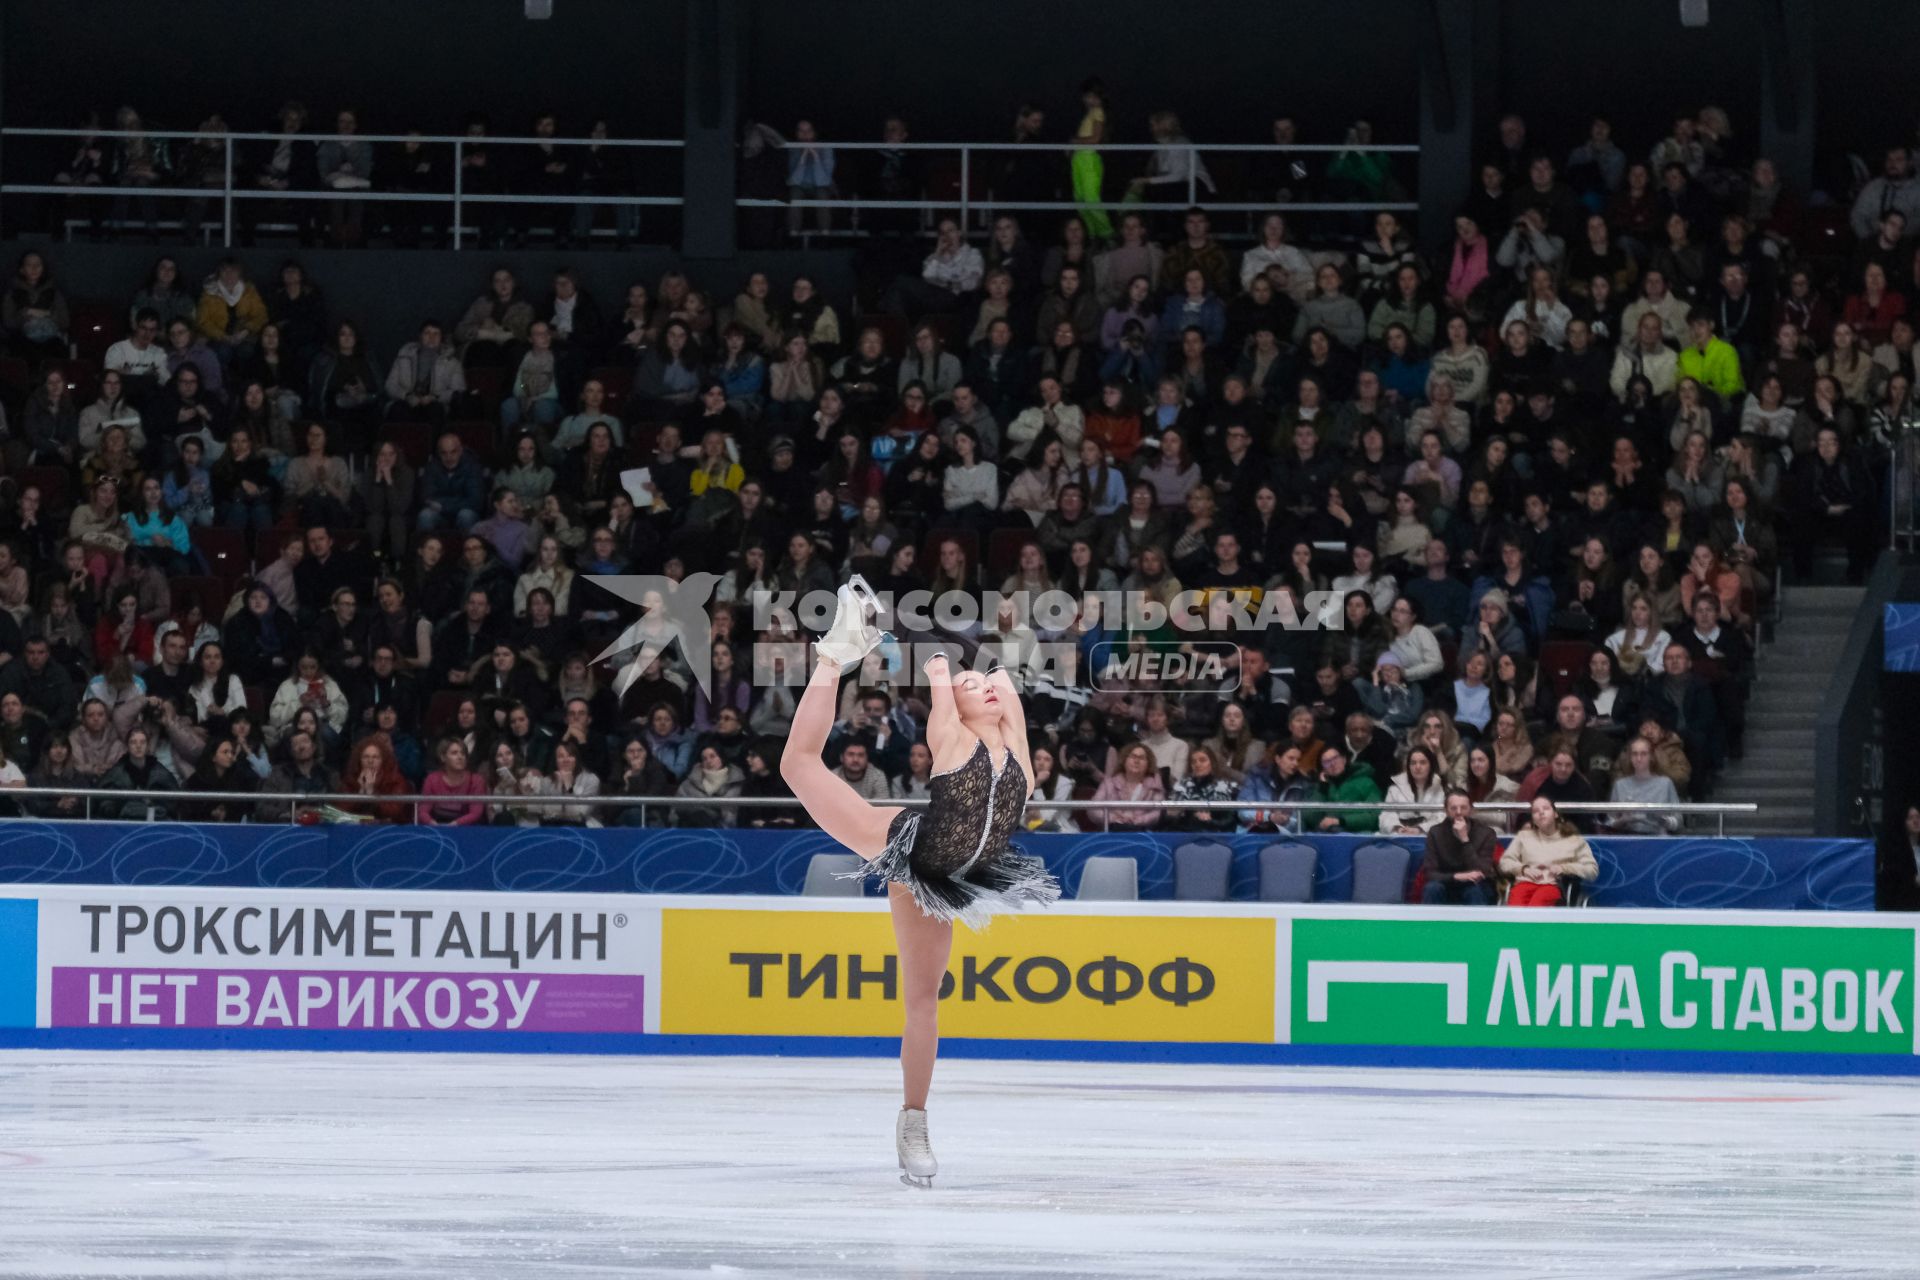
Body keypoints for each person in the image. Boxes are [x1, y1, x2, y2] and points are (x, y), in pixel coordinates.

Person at [778, 578, 1057, 1186]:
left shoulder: (1020, 757)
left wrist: (972, 651)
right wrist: (935, 662)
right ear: (951, 704)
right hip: (909, 845)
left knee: (925, 1001)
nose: (983, 685)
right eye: (969, 687)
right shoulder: (950, 737)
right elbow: (948, 673)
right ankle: (832, 656)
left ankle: (912, 1119)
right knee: (796, 766)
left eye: (985, 685)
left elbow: (1002, 678)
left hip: (958, 873)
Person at [1500, 795, 1600, 906]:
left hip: (1554, 885)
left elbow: (1592, 870)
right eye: (1535, 811)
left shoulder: (1574, 840)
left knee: (1538, 902)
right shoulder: (1524, 836)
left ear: (1556, 814)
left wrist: (1564, 868)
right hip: (1525, 882)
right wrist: (1524, 869)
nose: (1541, 812)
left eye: (1546, 808)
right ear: (1533, 819)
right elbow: (1505, 862)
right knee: (1516, 905)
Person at [1419, 789, 1501, 905]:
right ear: (1446, 811)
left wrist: (1465, 840)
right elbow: (1430, 872)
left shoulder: (1486, 833)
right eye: (1453, 808)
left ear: (1471, 810)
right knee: (1432, 888)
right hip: (1447, 881)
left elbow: (1483, 871)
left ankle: (1477, 923)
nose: (1458, 812)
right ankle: (1431, 923)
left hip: (1476, 884)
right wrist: (1457, 876)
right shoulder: (1435, 833)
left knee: (1475, 891)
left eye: (1463, 808)